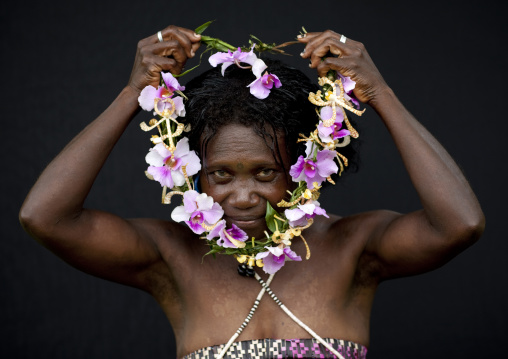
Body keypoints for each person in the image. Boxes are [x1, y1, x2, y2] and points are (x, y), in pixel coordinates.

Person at [19, 25, 485, 358]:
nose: (242, 197)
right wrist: (132, 93)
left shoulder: (354, 248)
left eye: (266, 174)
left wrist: (378, 92)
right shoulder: (171, 256)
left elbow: (459, 224)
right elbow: (45, 217)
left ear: (305, 166)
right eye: (221, 176)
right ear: (191, 173)